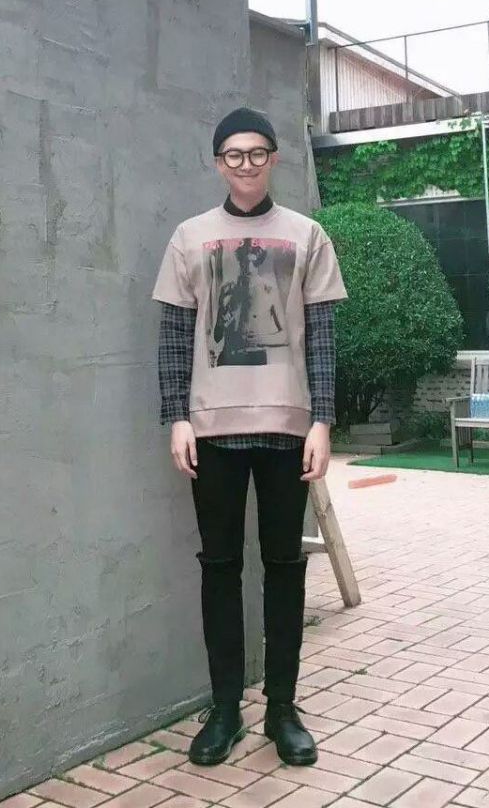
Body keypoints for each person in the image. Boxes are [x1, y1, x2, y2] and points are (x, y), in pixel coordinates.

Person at [152, 107, 348, 767]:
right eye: (233, 154)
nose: (245, 164)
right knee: (220, 569)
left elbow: (322, 337)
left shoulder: (307, 235)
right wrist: (177, 416)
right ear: (218, 162)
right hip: (213, 430)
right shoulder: (190, 237)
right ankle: (225, 709)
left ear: (273, 159)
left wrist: (322, 420)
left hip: (288, 429)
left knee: (285, 569)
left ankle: (282, 710)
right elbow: (173, 335)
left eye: (257, 152)